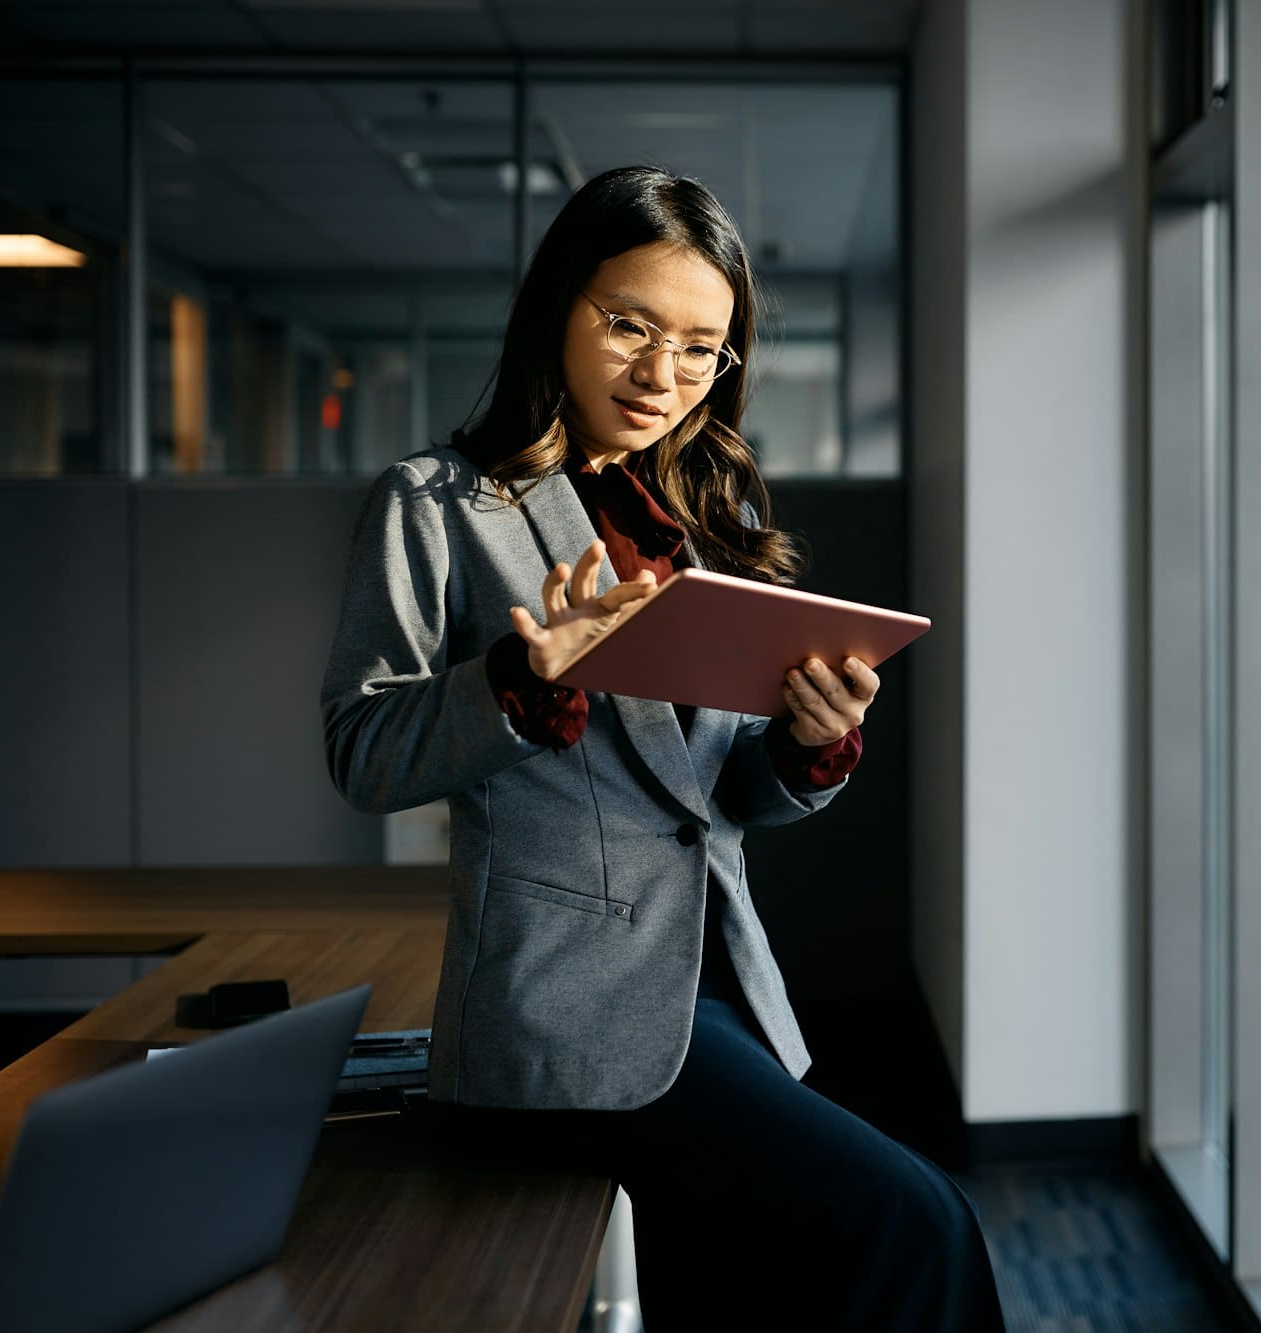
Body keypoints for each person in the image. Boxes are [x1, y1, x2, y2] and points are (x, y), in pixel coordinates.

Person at [319, 164, 1004, 1331]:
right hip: (562, 1009)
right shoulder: (438, 505)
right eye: (630, 326)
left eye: (701, 349)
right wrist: (524, 679)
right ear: (557, 308)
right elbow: (363, 751)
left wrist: (805, 747)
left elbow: (718, 800)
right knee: (917, 1221)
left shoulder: (693, 521)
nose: (663, 376)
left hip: (722, 987)